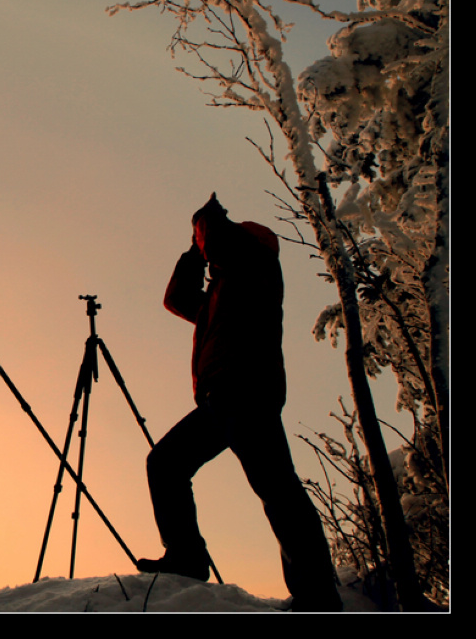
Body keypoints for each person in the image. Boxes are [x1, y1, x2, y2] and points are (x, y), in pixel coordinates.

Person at [137, 193, 342, 612]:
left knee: (278, 490)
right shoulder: (220, 297)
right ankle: (187, 559)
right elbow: (177, 299)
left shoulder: (256, 271)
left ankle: (317, 594)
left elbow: (221, 238)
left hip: (247, 391)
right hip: (220, 398)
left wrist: (206, 221)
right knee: (166, 463)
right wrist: (193, 252)